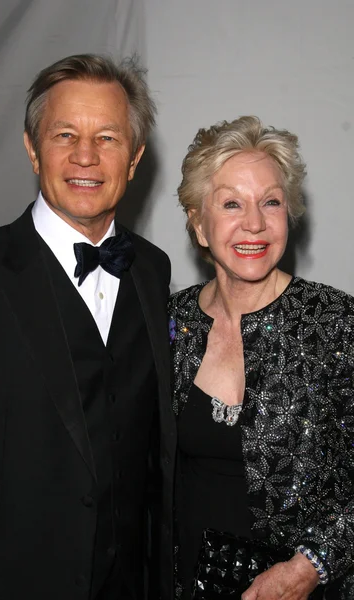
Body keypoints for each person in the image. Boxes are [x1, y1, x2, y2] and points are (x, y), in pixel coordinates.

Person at [0, 54, 176, 600]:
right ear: (32, 149)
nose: (85, 155)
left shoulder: (152, 269)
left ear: (135, 158)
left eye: (107, 137)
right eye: (64, 134)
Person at [168, 116, 354, 600]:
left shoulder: (336, 322)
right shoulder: (167, 321)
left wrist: (310, 567)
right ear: (198, 224)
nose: (254, 223)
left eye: (270, 202)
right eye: (231, 203)